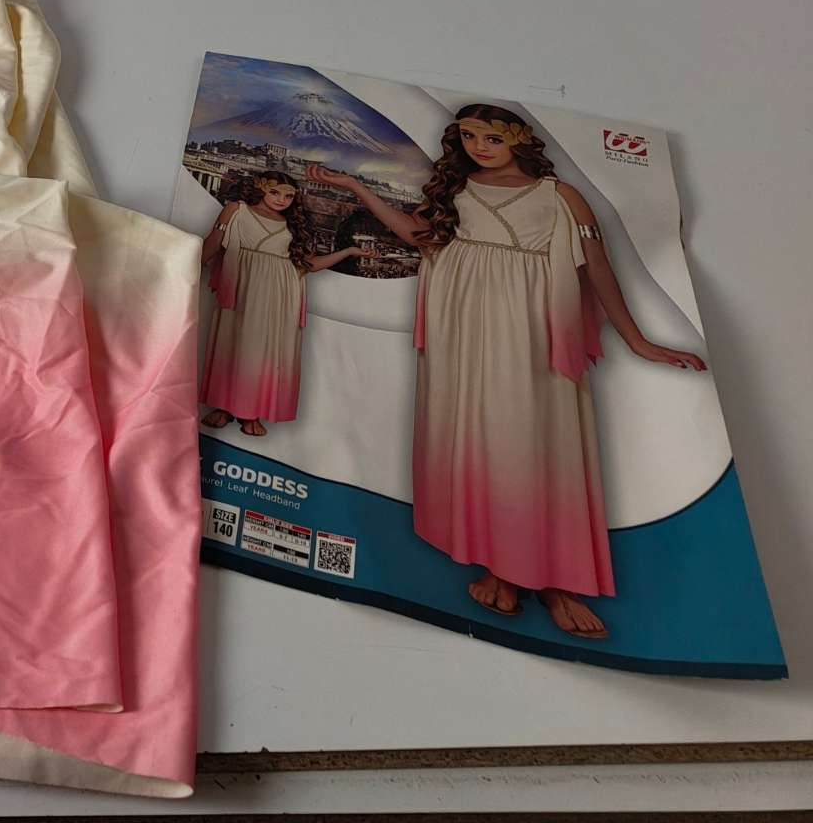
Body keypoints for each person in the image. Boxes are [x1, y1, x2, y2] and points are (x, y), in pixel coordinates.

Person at [307, 105, 706, 639]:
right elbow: (419, 236)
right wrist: (355, 187)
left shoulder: (560, 195)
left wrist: (638, 341)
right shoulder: (456, 190)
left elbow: (596, 266)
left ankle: (556, 581)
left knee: (539, 448)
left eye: (492, 137)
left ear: (519, 139)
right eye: (469, 136)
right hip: (461, 327)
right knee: (482, 445)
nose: (479, 146)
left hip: (532, 327)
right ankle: (502, 568)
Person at [199, 170, 365, 436]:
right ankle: (224, 407)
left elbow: (309, 264)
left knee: (264, 352)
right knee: (233, 344)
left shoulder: (291, 225)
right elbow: (214, 244)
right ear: (261, 188)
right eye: (274, 192)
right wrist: (189, 265)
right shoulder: (237, 210)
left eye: (288, 196)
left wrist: (349, 251)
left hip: (278, 293)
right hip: (241, 284)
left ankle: (251, 412)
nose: (281, 199)